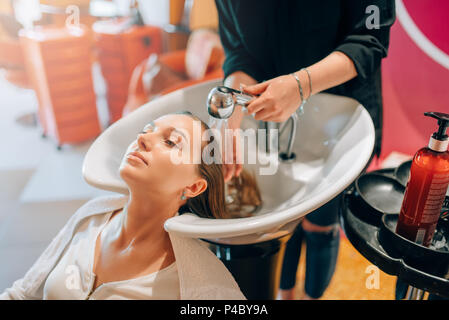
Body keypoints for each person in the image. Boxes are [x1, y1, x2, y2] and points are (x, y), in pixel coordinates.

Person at [214, 0, 396, 299]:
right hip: (273, 125)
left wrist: (301, 85)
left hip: (339, 122)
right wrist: (230, 104)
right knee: (283, 224)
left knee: (319, 225)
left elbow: (370, 38)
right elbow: (240, 51)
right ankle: (285, 293)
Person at [0, 111, 246, 300]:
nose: (142, 138)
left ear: (193, 187)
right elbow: (23, 293)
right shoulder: (92, 216)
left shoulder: (203, 282)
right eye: (146, 130)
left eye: (171, 142)